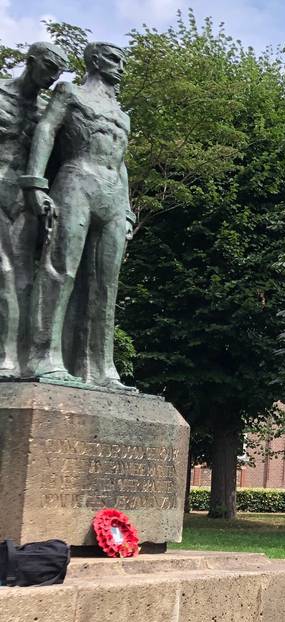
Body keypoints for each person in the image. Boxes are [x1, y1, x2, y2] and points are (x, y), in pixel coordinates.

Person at [21, 42, 134, 389]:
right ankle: (44, 356)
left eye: (122, 62)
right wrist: (35, 183)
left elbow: (121, 161)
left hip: (113, 196)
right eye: (114, 60)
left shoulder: (122, 114)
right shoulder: (70, 93)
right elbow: (46, 130)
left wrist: (127, 208)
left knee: (105, 285)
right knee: (60, 270)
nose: (120, 67)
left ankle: (100, 369)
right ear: (96, 60)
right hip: (76, 180)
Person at [0, 42, 68, 377]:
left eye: (59, 71)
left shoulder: (45, 109)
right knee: (4, 273)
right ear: (31, 62)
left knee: (22, 277)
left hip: (25, 198)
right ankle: (6, 358)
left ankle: (19, 357)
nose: (54, 77)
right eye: (50, 67)